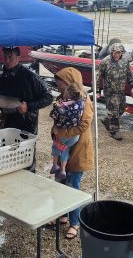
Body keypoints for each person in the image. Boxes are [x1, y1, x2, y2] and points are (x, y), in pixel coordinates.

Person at [0, 46, 53, 172]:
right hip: (7, 126)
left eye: (10, 57)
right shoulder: (1, 80)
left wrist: (29, 106)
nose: (7, 60)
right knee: (8, 160)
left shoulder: (31, 77)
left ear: (18, 57)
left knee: (26, 162)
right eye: (5, 57)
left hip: (27, 126)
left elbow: (49, 97)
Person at [51, 67, 94, 240]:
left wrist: (61, 133)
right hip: (63, 148)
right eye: (59, 87)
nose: (60, 90)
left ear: (71, 84)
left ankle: (74, 223)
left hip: (79, 149)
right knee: (60, 182)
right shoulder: (64, 98)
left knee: (73, 186)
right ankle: (62, 215)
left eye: (62, 86)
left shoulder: (84, 100)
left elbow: (84, 125)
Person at [96, 43, 133, 140]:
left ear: (122, 53)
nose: (117, 55)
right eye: (115, 52)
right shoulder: (105, 61)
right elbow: (97, 77)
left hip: (120, 90)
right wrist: (98, 91)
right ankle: (114, 132)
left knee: (122, 109)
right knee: (114, 112)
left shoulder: (125, 61)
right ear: (112, 52)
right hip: (110, 91)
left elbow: (130, 74)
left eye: (119, 53)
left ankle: (107, 119)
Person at [50, 82, 85, 180]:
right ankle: (63, 170)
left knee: (56, 147)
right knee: (65, 149)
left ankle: (55, 165)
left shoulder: (63, 105)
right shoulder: (81, 102)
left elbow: (55, 113)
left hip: (62, 134)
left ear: (67, 93)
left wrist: (55, 107)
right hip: (74, 137)